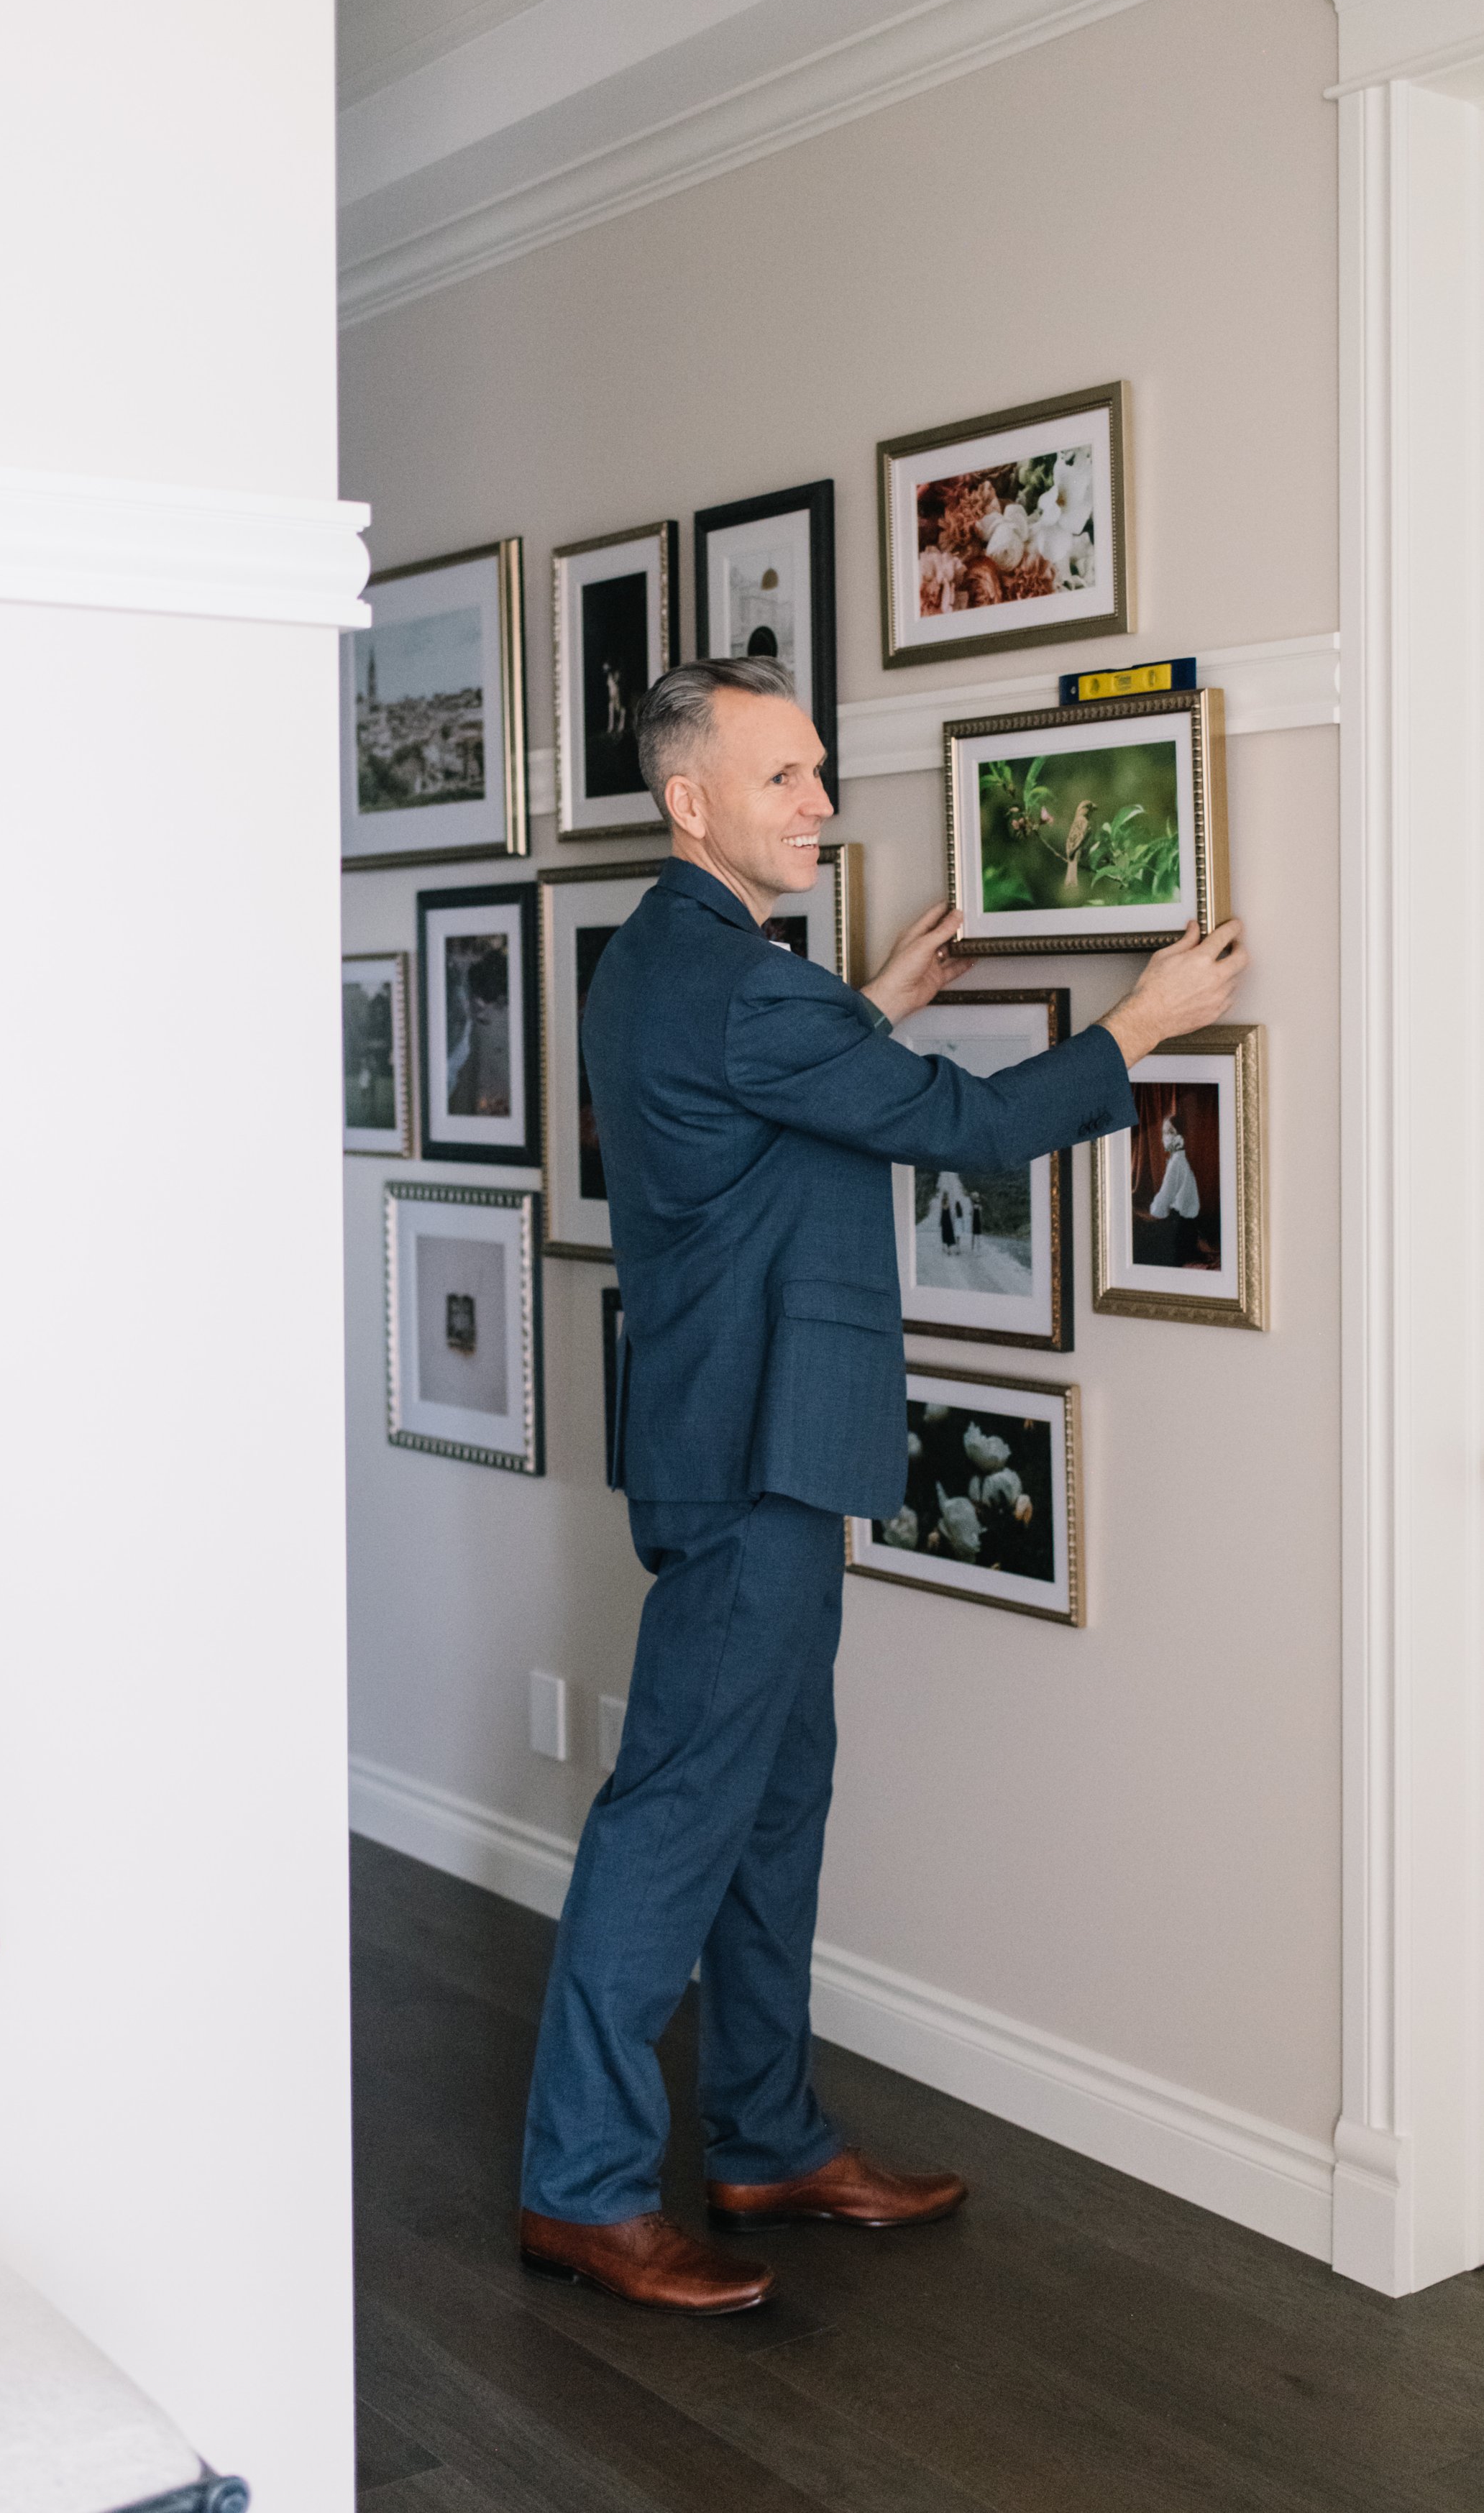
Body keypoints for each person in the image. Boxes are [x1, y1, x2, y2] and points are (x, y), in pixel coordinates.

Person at [517, 656, 1248, 2316]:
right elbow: (975, 1132)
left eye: (822, 770)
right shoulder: (744, 986)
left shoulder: (677, 960)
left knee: (776, 1800)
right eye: (785, 777)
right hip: (752, 1446)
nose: (824, 803)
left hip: (755, 1429)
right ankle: (582, 2185)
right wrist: (1142, 1022)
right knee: (679, 1815)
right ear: (691, 797)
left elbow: (770, 1096)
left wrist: (872, 1003)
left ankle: (768, 2135)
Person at [1145, 1112, 1201, 1266]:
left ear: (1180, 1137)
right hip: (1186, 1226)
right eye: (1164, 1133)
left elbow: (1166, 1195)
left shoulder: (1177, 1162)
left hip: (1181, 1229)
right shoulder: (1179, 1160)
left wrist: (1155, 1211)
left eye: (1170, 1133)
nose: (1165, 1137)